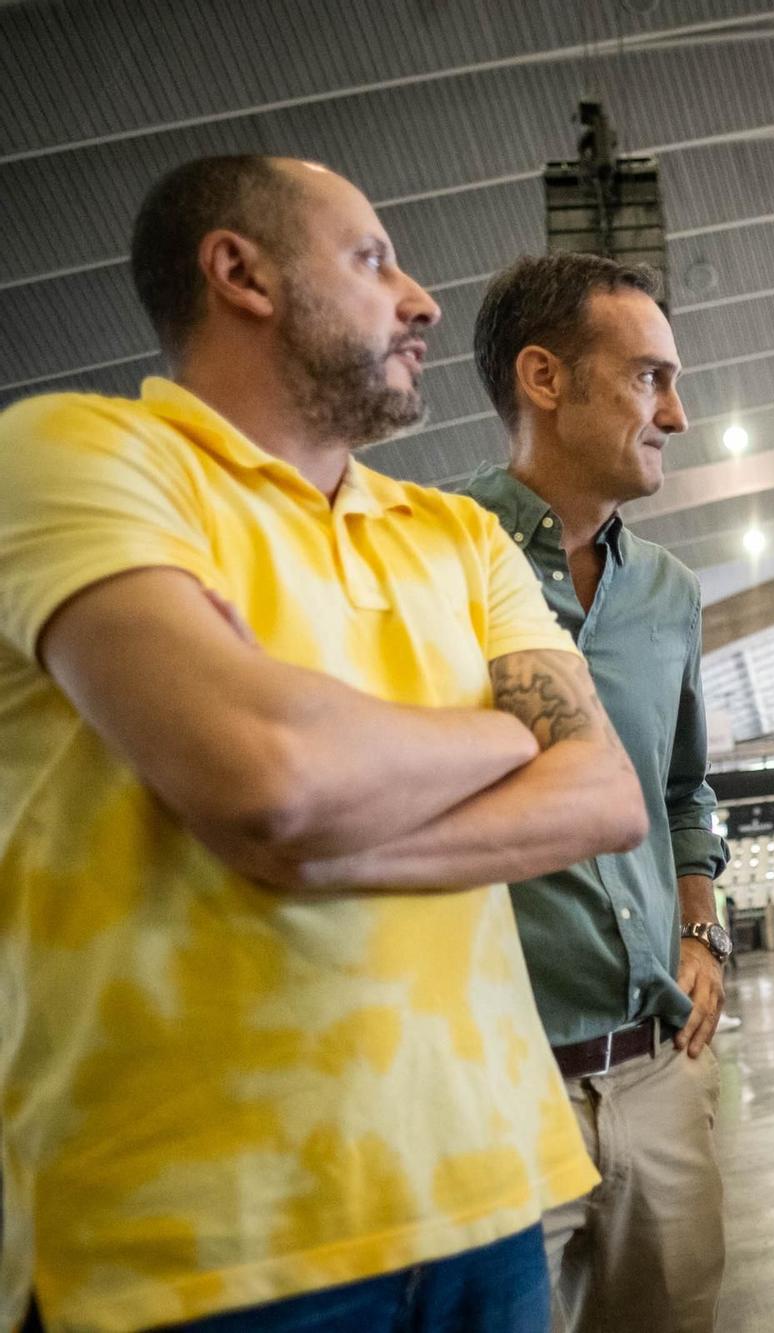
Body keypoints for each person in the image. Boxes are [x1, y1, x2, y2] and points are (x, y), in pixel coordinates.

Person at [0, 157, 648, 1331]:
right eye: (370, 259)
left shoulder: (453, 534)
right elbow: (271, 777)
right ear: (238, 272)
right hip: (196, 1245)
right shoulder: (73, 456)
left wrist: (323, 836)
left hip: (485, 1193)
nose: (421, 300)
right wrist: (501, 729)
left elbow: (602, 792)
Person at [465, 254, 734, 1331]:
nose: (677, 412)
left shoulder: (668, 591)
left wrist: (703, 928)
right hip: (495, 1086)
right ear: (544, 377)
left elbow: (682, 788)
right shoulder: (426, 551)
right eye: (648, 379)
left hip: (653, 1067)